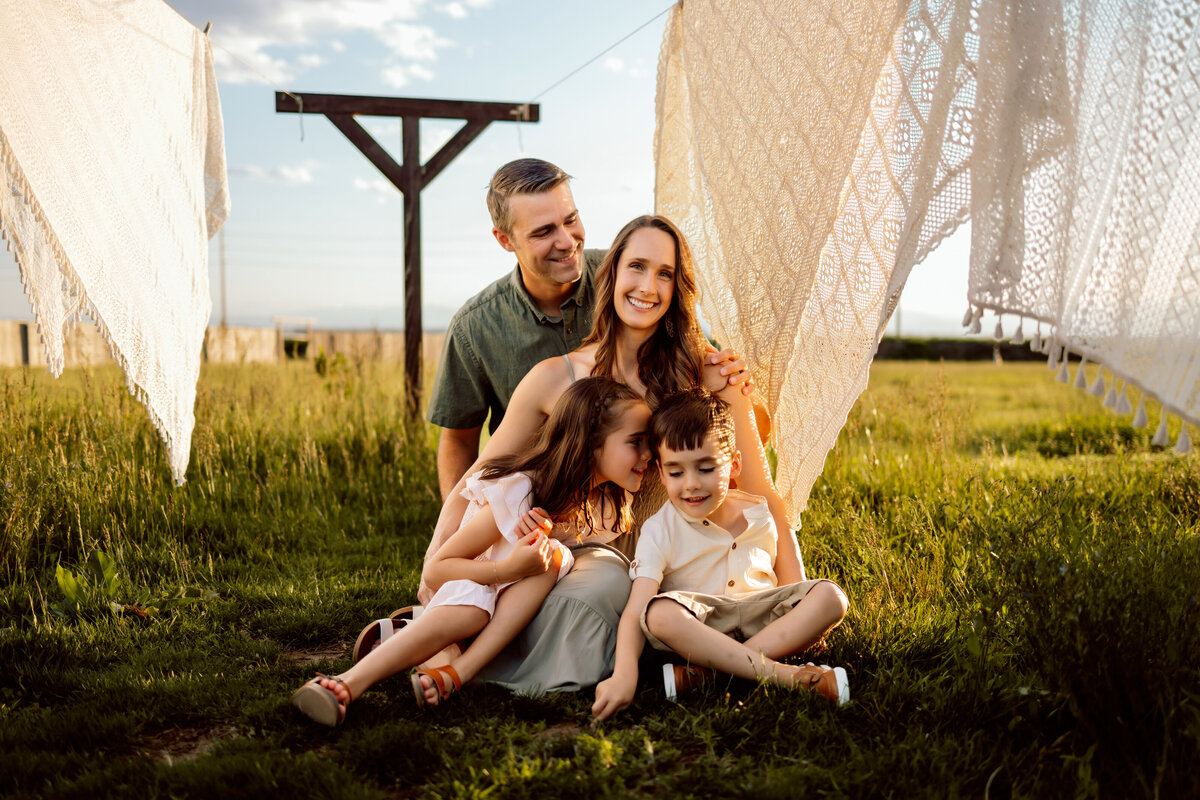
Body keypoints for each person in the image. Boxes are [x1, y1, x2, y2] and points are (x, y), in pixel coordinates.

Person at [417, 214, 805, 696]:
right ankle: (438, 637)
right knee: (597, 594)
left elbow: (761, 490)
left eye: (665, 273)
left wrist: (793, 597)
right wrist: (432, 575)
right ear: (612, 275)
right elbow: (478, 479)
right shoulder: (557, 377)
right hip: (584, 557)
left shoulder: (708, 373)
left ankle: (436, 644)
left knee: (625, 602)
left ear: (678, 288)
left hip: (676, 560)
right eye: (637, 266)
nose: (648, 285)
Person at [291, 377, 652, 725]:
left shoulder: (600, 502)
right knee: (474, 609)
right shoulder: (520, 493)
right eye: (636, 442)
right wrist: (509, 569)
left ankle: (446, 663)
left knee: (551, 556)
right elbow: (437, 568)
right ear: (591, 444)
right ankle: (346, 684)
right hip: (471, 588)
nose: (648, 454)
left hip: (510, 607)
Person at [591, 389, 848, 722]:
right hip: (700, 625)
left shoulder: (759, 513)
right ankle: (783, 675)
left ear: (734, 464)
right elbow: (635, 612)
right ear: (661, 470)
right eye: (676, 472)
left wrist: (806, 620)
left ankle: (713, 674)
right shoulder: (660, 529)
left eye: (706, 468)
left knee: (831, 596)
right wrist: (624, 676)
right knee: (659, 614)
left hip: (762, 615)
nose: (692, 485)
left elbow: (787, 586)